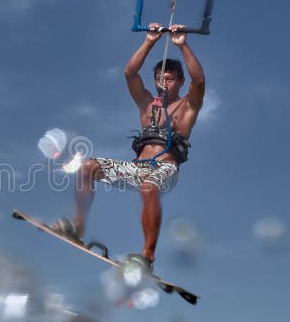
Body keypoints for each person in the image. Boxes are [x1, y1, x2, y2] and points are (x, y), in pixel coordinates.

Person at [52, 23, 206, 274]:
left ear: (179, 81)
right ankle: (77, 226)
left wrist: (182, 44)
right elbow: (130, 73)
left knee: (148, 187)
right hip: (137, 167)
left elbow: (199, 80)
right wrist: (150, 40)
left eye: (168, 79)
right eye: (159, 79)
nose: (162, 83)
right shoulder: (147, 104)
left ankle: (147, 255)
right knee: (88, 166)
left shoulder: (188, 107)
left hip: (164, 169)